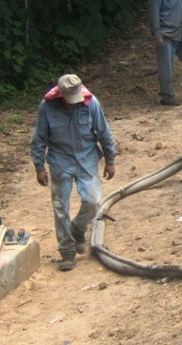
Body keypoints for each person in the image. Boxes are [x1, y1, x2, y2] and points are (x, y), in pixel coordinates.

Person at [31, 74, 117, 271]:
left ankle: (77, 228)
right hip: (60, 160)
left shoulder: (91, 103)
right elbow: (39, 138)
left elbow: (104, 132)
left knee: (93, 201)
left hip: (86, 159)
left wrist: (110, 160)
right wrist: (39, 167)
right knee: (60, 207)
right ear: (61, 95)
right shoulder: (46, 107)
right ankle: (67, 252)